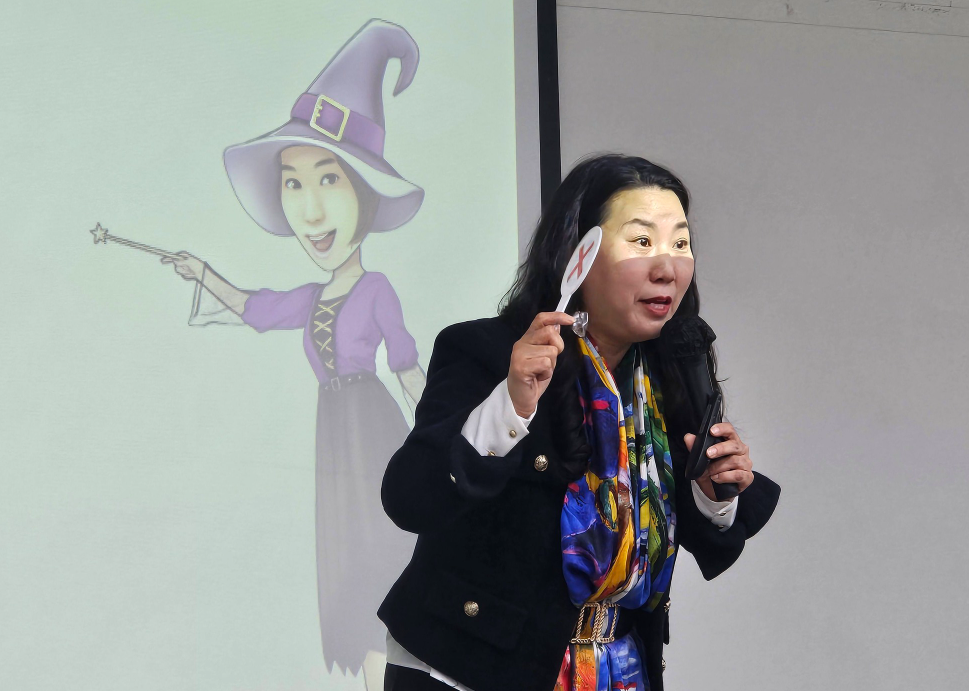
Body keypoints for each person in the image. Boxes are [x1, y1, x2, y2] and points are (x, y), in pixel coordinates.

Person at [377, 153, 781, 691]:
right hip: (467, 668)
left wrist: (714, 495)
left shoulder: (669, 373)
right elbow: (410, 499)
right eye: (642, 241)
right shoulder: (488, 351)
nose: (668, 267)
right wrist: (510, 406)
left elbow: (703, 541)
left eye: (680, 243)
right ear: (579, 255)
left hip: (616, 670)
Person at [161, 20, 427, 688]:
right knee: (349, 575)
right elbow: (253, 307)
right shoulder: (309, 298)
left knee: (384, 563)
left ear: (363, 192)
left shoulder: (376, 288)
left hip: (375, 435)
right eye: (292, 183)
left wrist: (448, 445)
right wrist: (201, 272)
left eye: (328, 179)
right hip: (334, 439)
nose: (310, 210)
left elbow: (407, 371)